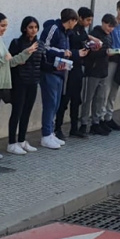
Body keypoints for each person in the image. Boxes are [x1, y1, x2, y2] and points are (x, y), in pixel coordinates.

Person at [0, 13, 35, 159]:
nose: (4, 29)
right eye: (2, 25)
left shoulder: (0, 40)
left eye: (6, 26)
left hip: (0, 84)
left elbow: (10, 61)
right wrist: (2, 60)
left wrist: (25, 53)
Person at [40, 8, 85, 149]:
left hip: (61, 71)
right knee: (50, 103)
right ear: (70, 20)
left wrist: (72, 54)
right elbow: (44, 46)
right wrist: (62, 52)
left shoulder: (66, 33)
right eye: (75, 21)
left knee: (56, 103)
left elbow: (68, 52)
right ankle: (46, 134)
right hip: (50, 71)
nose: (75, 25)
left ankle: (51, 132)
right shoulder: (53, 28)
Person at [8, 16, 45, 155]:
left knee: (26, 112)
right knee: (17, 111)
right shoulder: (17, 43)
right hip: (19, 82)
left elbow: (42, 63)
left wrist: (57, 66)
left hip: (33, 81)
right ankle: (12, 142)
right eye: (31, 27)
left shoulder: (40, 44)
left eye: (36, 27)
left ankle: (22, 140)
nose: (33, 30)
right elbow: (10, 62)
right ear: (24, 28)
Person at [56, 7, 94, 139]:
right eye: (87, 20)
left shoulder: (83, 31)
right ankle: (57, 128)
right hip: (69, 68)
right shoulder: (71, 31)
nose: (89, 23)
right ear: (80, 18)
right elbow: (67, 49)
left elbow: (84, 42)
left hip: (79, 68)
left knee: (76, 100)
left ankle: (74, 128)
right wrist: (78, 53)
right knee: (64, 100)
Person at [81, 14, 120, 136]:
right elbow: (90, 53)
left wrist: (111, 52)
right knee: (88, 98)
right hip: (93, 71)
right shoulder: (95, 34)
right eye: (109, 26)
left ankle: (96, 123)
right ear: (103, 22)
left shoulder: (108, 36)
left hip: (103, 70)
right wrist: (105, 52)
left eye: (113, 27)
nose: (110, 29)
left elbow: (107, 50)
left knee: (100, 98)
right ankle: (83, 123)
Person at [103, 0, 120, 131]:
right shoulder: (111, 24)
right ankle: (101, 117)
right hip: (111, 60)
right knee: (106, 89)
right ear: (117, 9)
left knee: (114, 91)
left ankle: (109, 116)